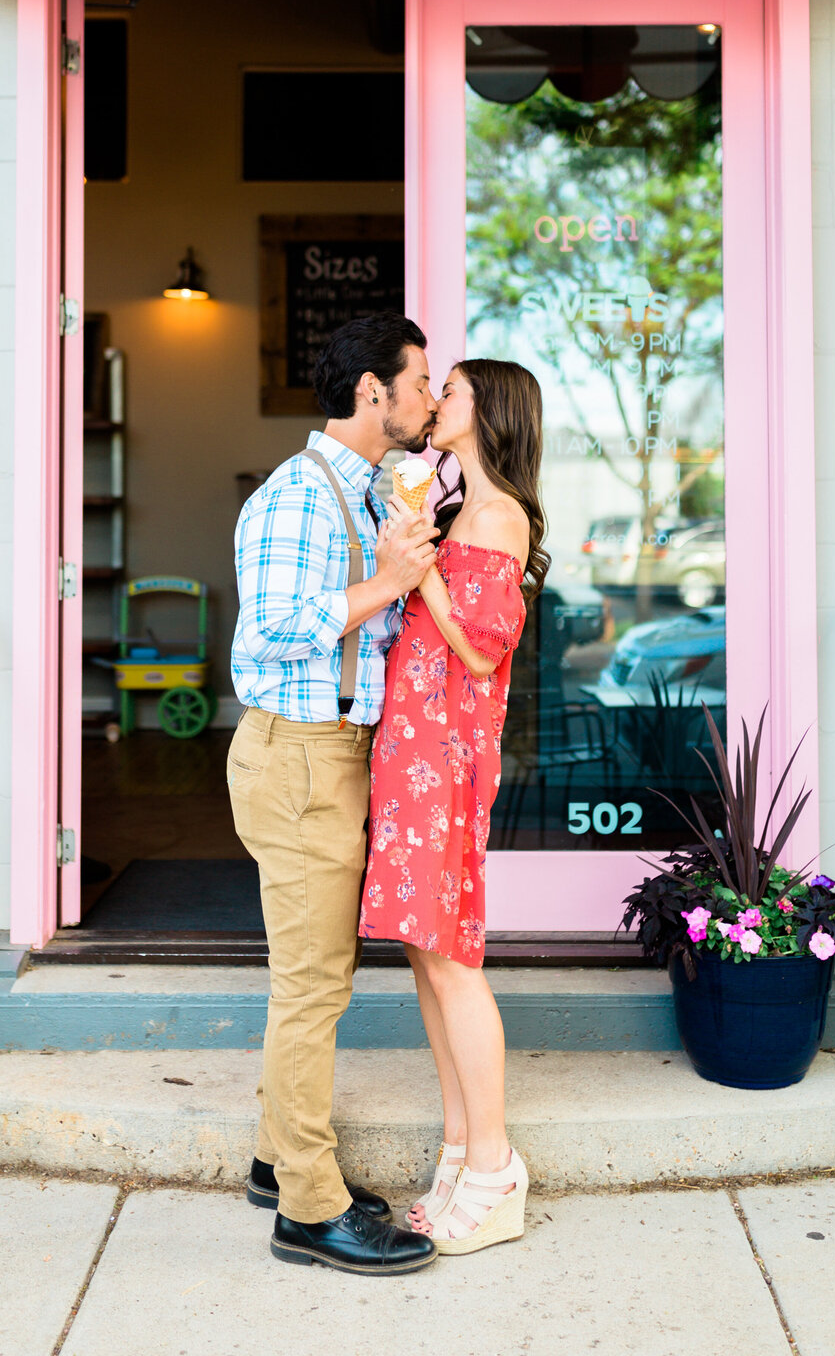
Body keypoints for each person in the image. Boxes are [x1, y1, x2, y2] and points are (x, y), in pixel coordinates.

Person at [228, 312, 441, 1275]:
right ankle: (308, 1212)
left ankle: (282, 1161)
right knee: (311, 990)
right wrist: (384, 584)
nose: (431, 400)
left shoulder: (359, 497)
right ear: (372, 392)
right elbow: (265, 636)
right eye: (420, 383)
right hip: (302, 757)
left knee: (321, 979)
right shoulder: (298, 498)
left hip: (332, 754)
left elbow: (371, 637)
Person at [359, 358, 548, 1256]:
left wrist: (419, 565)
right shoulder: (449, 500)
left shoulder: (499, 514)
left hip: (446, 750)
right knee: (424, 951)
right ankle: (459, 1146)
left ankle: (496, 1166)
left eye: (454, 392)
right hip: (409, 744)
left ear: (489, 414)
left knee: (452, 953)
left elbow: (480, 650)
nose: (436, 402)